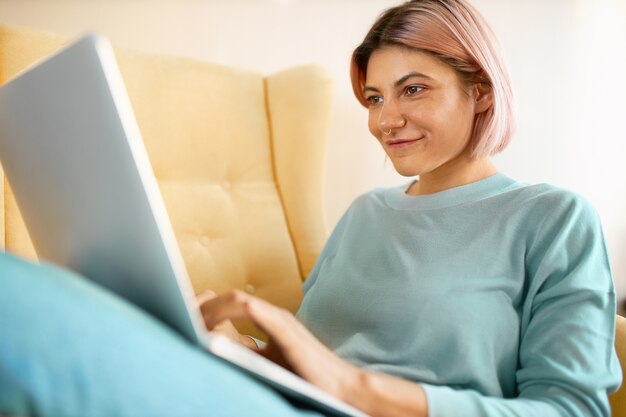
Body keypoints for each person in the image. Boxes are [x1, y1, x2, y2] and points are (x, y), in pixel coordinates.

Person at [0, 1, 620, 417]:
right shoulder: (366, 212)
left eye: (413, 90)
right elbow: (316, 357)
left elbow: (570, 410)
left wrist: (359, 389)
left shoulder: (553, 219)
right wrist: (241, 339)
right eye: (375, 97)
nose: (384, 119)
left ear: (479, 89)